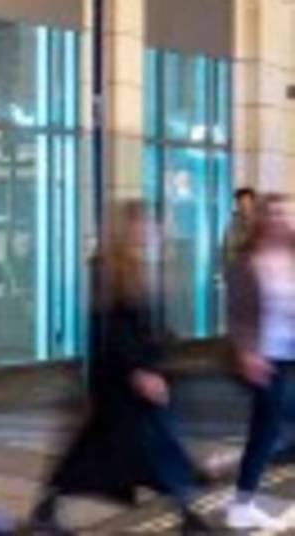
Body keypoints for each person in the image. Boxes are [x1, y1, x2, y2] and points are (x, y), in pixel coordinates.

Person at [28, 201, 208, 532]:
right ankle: (187, 514)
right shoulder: (106, 268)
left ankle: (187, 514)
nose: (151, 231)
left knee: (125, 450)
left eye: (152, 225)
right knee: (131, 451)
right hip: (120, 382)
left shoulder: (136, 266)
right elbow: (110, 331)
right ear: (127, 229)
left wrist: (163, 343)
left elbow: (140, 323)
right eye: (143, 225)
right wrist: (137, 371)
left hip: (134, 378)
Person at [226, 194, 295, 529]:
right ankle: (242, 504)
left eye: (288, 214)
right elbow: (237, 316)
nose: (283, 220)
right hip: (265, 360)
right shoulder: (246, 262)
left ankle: (241, 503)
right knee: (266, 430)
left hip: (291, 356)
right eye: (277, 214)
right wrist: (245, 353)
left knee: (266, 430)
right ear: (264, 219)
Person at [226, 188, 261, 270]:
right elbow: (228, 252)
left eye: (247, 203)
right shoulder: (232, 225)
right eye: (240, 203)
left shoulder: (262, 223)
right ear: (237, 205)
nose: (244, 207)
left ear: (253, 204)